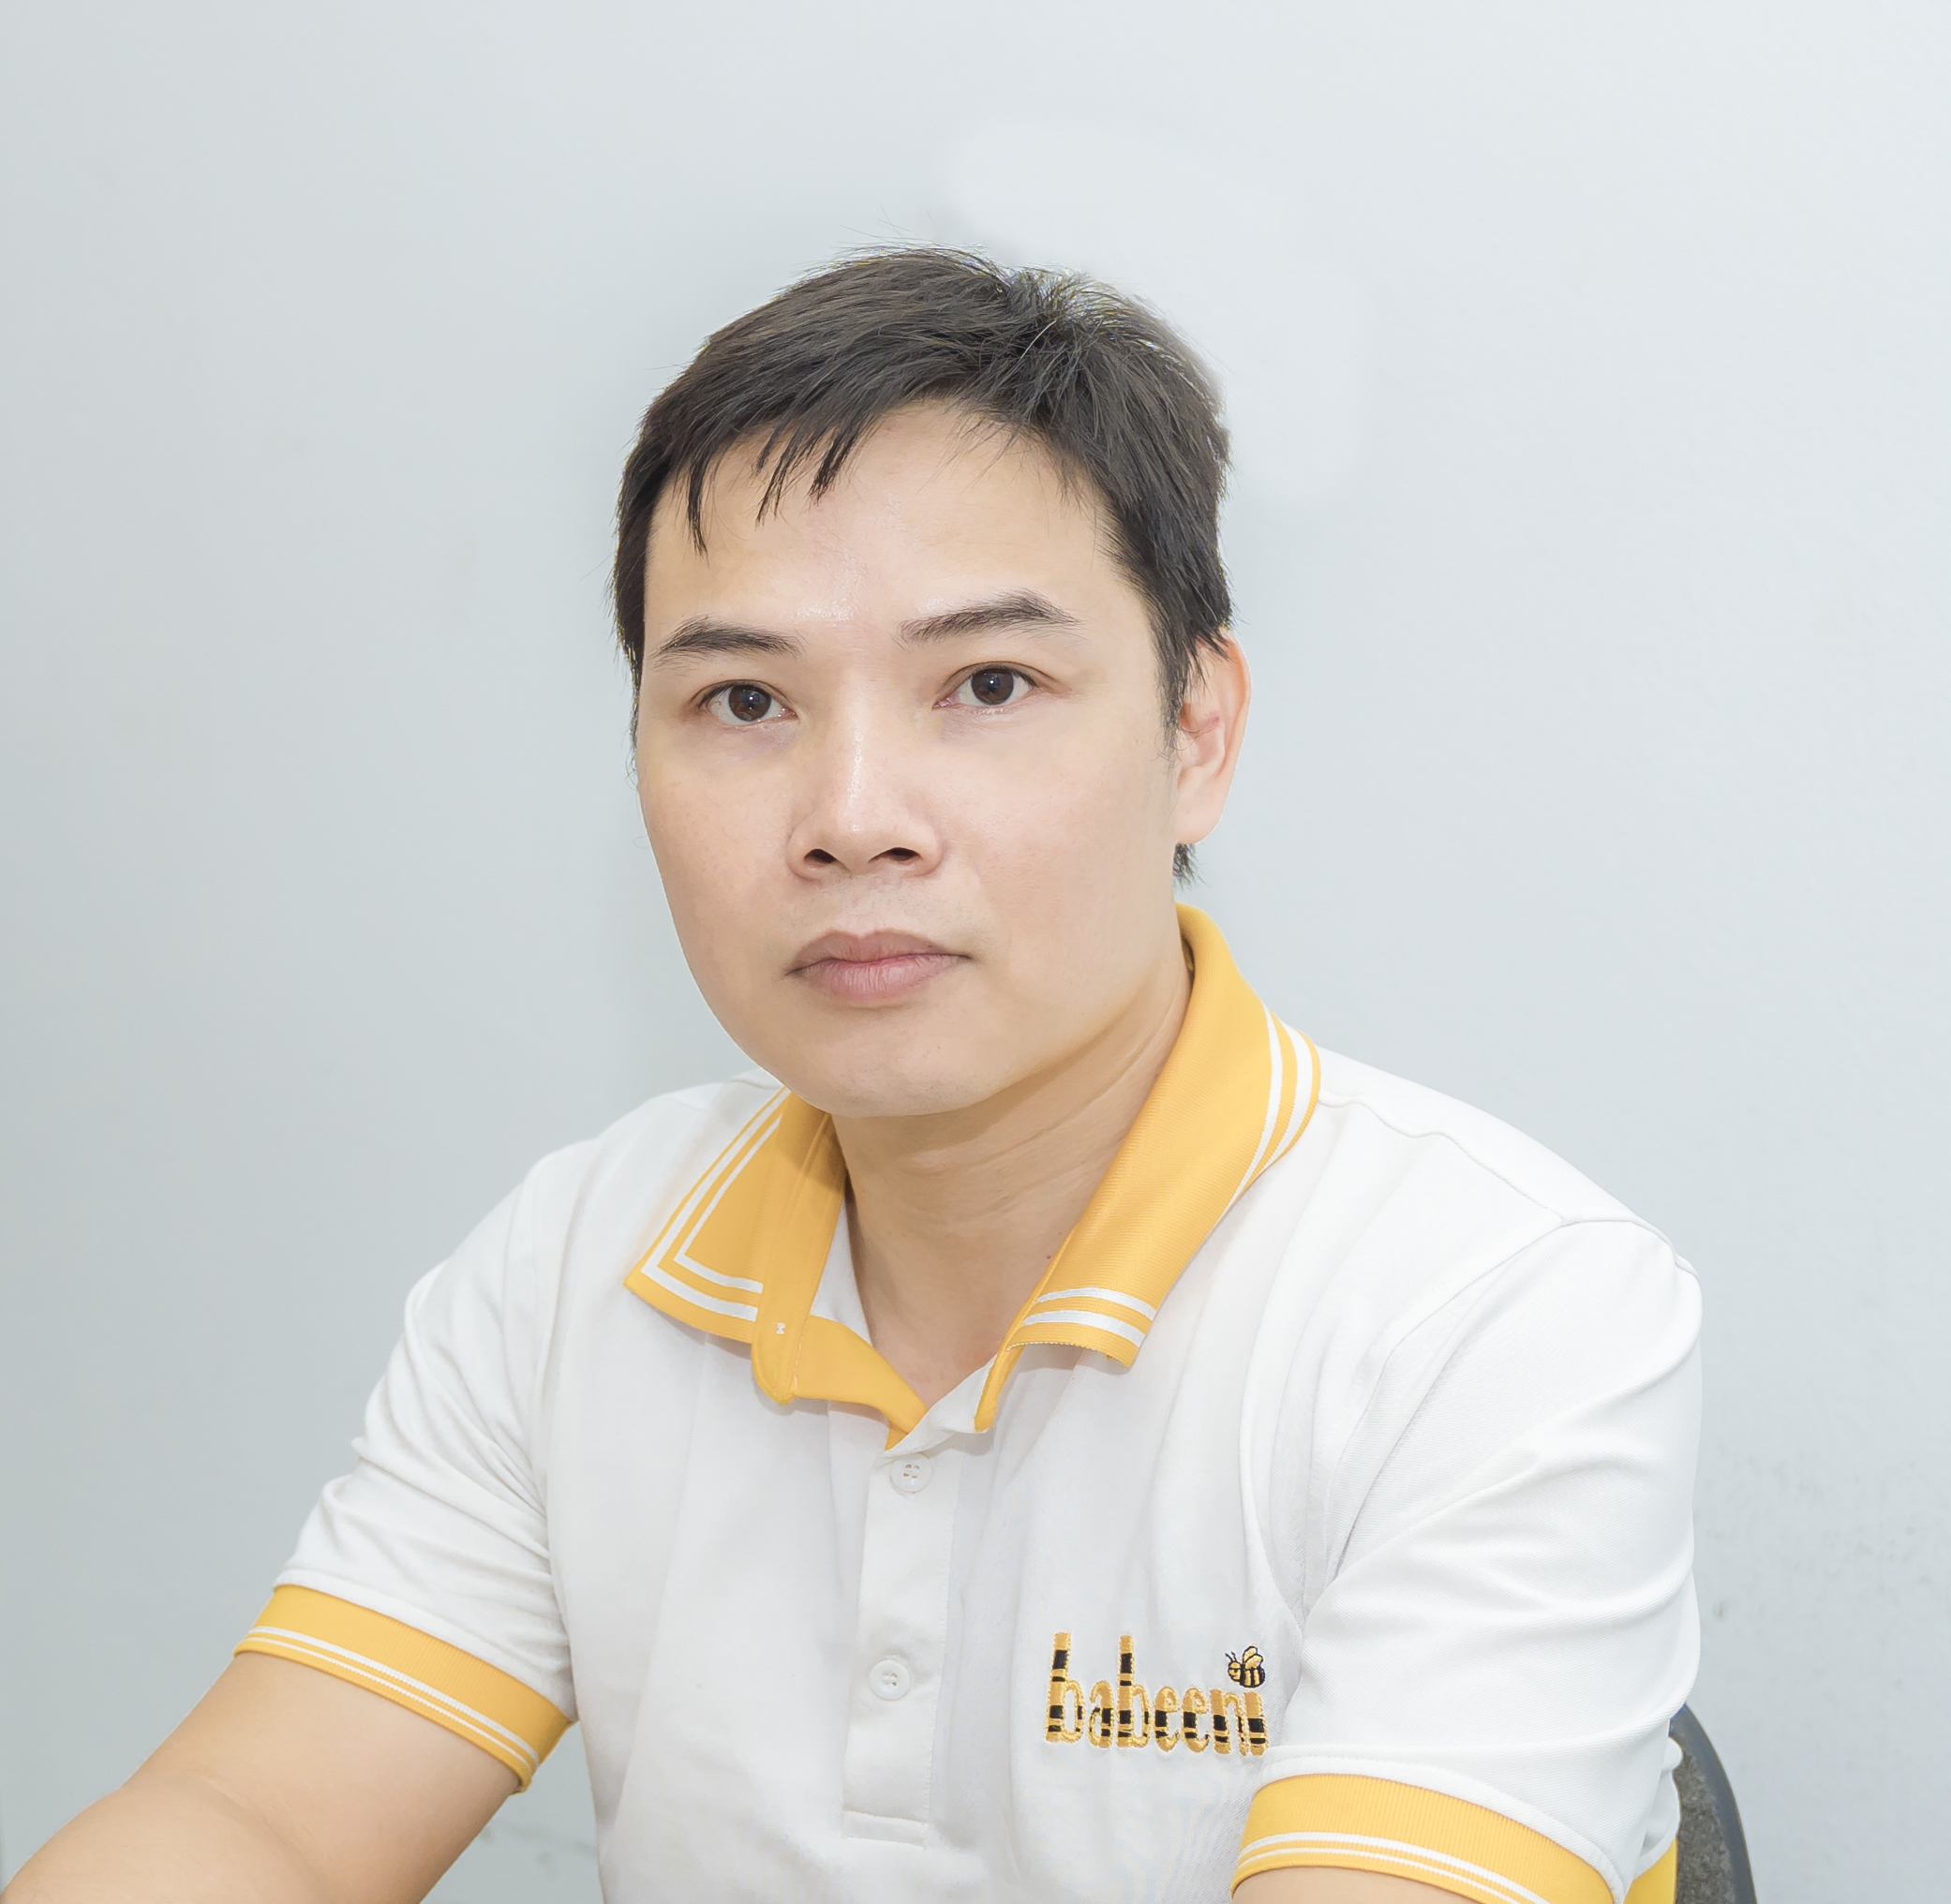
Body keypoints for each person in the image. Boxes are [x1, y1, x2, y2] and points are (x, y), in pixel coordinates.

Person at [7, 248, 1699, 1904]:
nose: (851, 817)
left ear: (1194, 730)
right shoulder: (575, 1265)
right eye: (746, 700)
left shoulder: (1492, 1312)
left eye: (987, 684)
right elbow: (261, 1820)